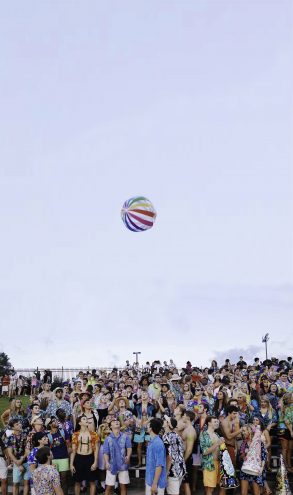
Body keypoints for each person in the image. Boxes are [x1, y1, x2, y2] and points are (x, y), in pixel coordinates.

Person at [70, 415, 99, 495]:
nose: (86, 420)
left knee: (92, 481)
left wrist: (95, 462)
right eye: (84, 419)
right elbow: (73, 450)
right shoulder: (75, 434)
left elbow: (96, 449)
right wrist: (71, 464)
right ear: (79, 423)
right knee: (77, 482)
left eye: (86, 419)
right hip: (78, 459)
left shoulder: (94, 434)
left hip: (90, 458)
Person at [103, 418, 132, 495]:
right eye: (114, 422)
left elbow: (129, 448)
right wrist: (106, 462)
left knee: (123, 486)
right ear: (111, 427)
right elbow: (105, 452)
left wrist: (128, 456)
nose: (116, 422)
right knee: (109, 487)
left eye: (117, 421)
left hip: (123, 464)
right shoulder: (108, 439)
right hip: (111, 465)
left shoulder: (125, 436)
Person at [200, 416, 225, 495]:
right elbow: (204, 452)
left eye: (217, 422)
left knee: (213, 488)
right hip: (209, 464)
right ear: (209, 423)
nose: (217, 423)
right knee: (209, 489)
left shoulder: (217, 434)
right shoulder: (204, 434)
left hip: (218, 463)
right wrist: (217, 443)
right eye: (215, 422)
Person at [46, 417, 71, 495]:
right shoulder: (47, 435)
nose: (56, 422)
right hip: (54, 459)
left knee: (64, 478)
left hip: (64, 457)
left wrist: (69, 454)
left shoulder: (63, 431)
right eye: (54, 421)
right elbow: (47, 449)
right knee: (56, 479)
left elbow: (68, 444)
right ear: (50, 424)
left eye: (57, 420)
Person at [5, 419, 30, 495]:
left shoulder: (26, 435)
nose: (20, 425)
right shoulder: (10, 438)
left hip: (26, 461)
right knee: (15, 483)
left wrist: (22, 459)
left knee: (26, 482)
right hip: (16, 463)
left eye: (20, 423)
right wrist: (18, 464)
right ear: (13, 427)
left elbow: (28, 449)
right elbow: (10, 453)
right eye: (17, 424)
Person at [163, 415, 186, 495]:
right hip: (181, 469)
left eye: (165, 421)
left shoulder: (166, 437)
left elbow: (169, 457)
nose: (163, 421)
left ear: (168, 424)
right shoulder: (177, 436)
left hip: (172, 471)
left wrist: (166, 473)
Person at [145, 418, 167, 495]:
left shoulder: (158, 444)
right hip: (150, 480)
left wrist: (154, 484)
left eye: (148, 425)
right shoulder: (152, 442)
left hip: (156, 483)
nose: (146, 427)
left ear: (151, 428)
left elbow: (159, 466)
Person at [181, 411, 196, 495]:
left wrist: (183, 460)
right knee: (183, 483)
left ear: (188, 418)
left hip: (187, 459)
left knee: (186, 483)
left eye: (184, 415)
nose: (182, 417)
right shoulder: (186, 429)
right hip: (185, 458)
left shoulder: (190, 431)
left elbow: (189, 449)